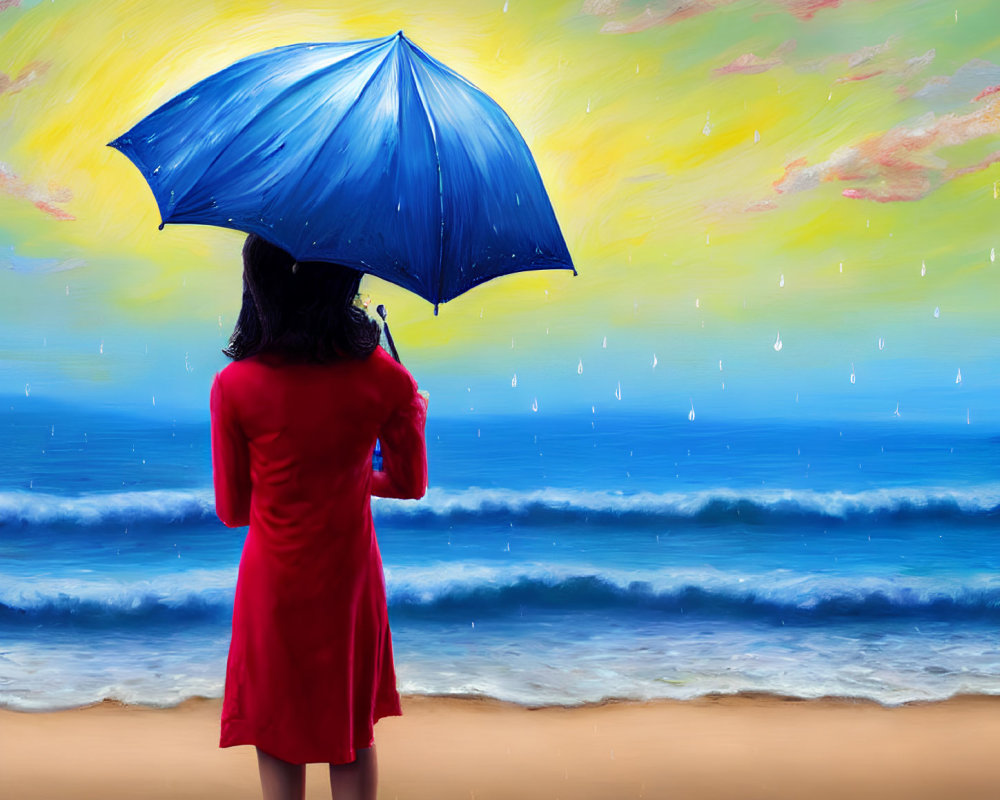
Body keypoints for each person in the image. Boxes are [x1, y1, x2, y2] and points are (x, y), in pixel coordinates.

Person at [210, 234, 428, 800]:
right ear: (344, 280)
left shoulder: (233, 385)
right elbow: (407, 484)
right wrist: (410, 419)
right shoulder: (387, 380)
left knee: (279, 736)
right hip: (348, 586)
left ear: (261, 286)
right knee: (351, 734)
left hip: (274, 586)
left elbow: (234, 512)